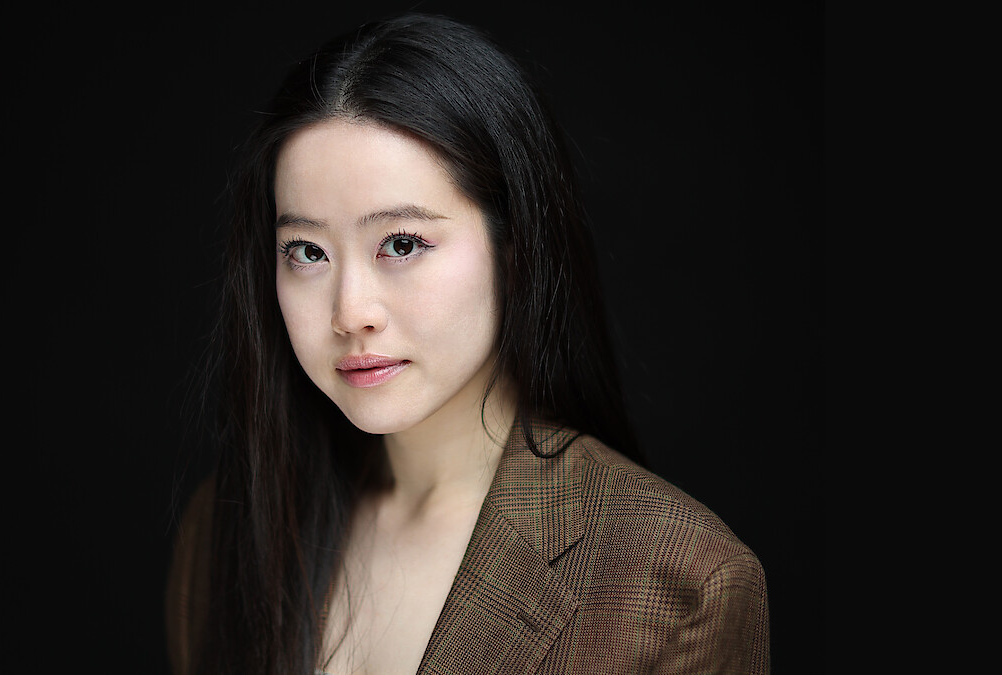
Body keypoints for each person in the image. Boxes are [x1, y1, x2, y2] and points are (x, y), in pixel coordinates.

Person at [167, 13, 767, 675]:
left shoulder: (672, 580)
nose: (350, 312)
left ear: (515, 249)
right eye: (307, 251)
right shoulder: (225, 532)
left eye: (402, 244)